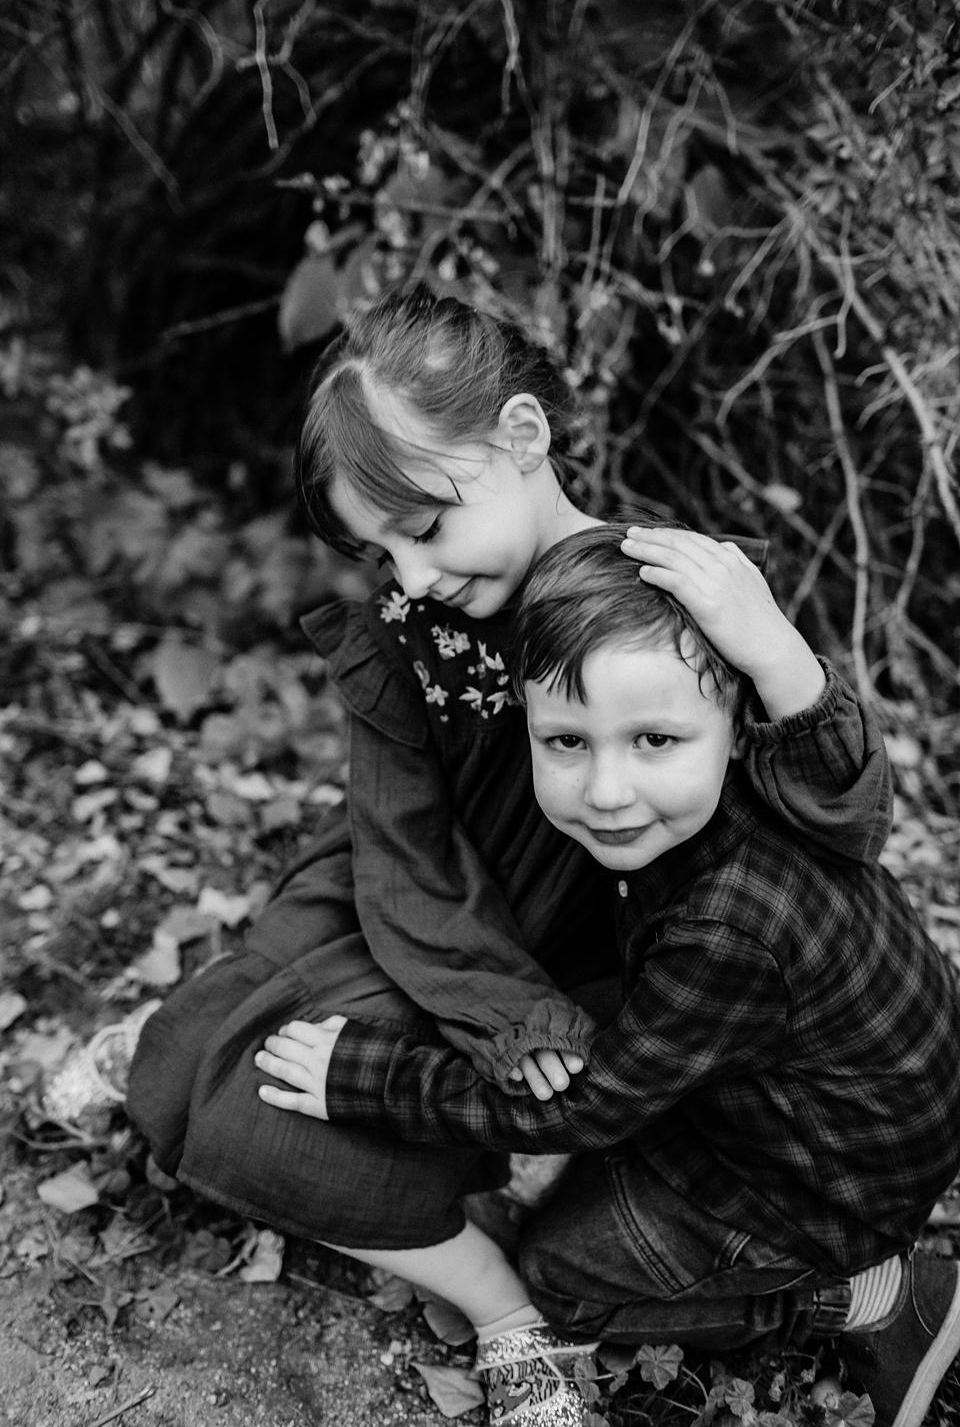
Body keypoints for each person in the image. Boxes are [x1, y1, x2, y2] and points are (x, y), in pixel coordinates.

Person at [127, 288, 893, 1426]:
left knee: (307, 1095)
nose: (411, 577)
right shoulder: (409, 636)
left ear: (522, 439)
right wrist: (497, 1005)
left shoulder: (669, 597)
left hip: (613, 946)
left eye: (423, 527)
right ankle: (496, 1304)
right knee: (233, 1075)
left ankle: (522, 1293)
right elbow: (398, 842)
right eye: (376, 549)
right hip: (434, 920)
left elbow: (849, 832)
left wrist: (781, 660)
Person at [255, 522, 960, 1427]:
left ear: (740, 725)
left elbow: (585, 1109)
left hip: (821, 1184)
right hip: (851, 1092)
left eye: (655, 740)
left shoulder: (727, 925)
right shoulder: (762, 788)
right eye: (567, 742)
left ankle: (870, 1293)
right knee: (589, 1068)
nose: (608, 790)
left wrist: (367, 1077)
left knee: (561, 1273)